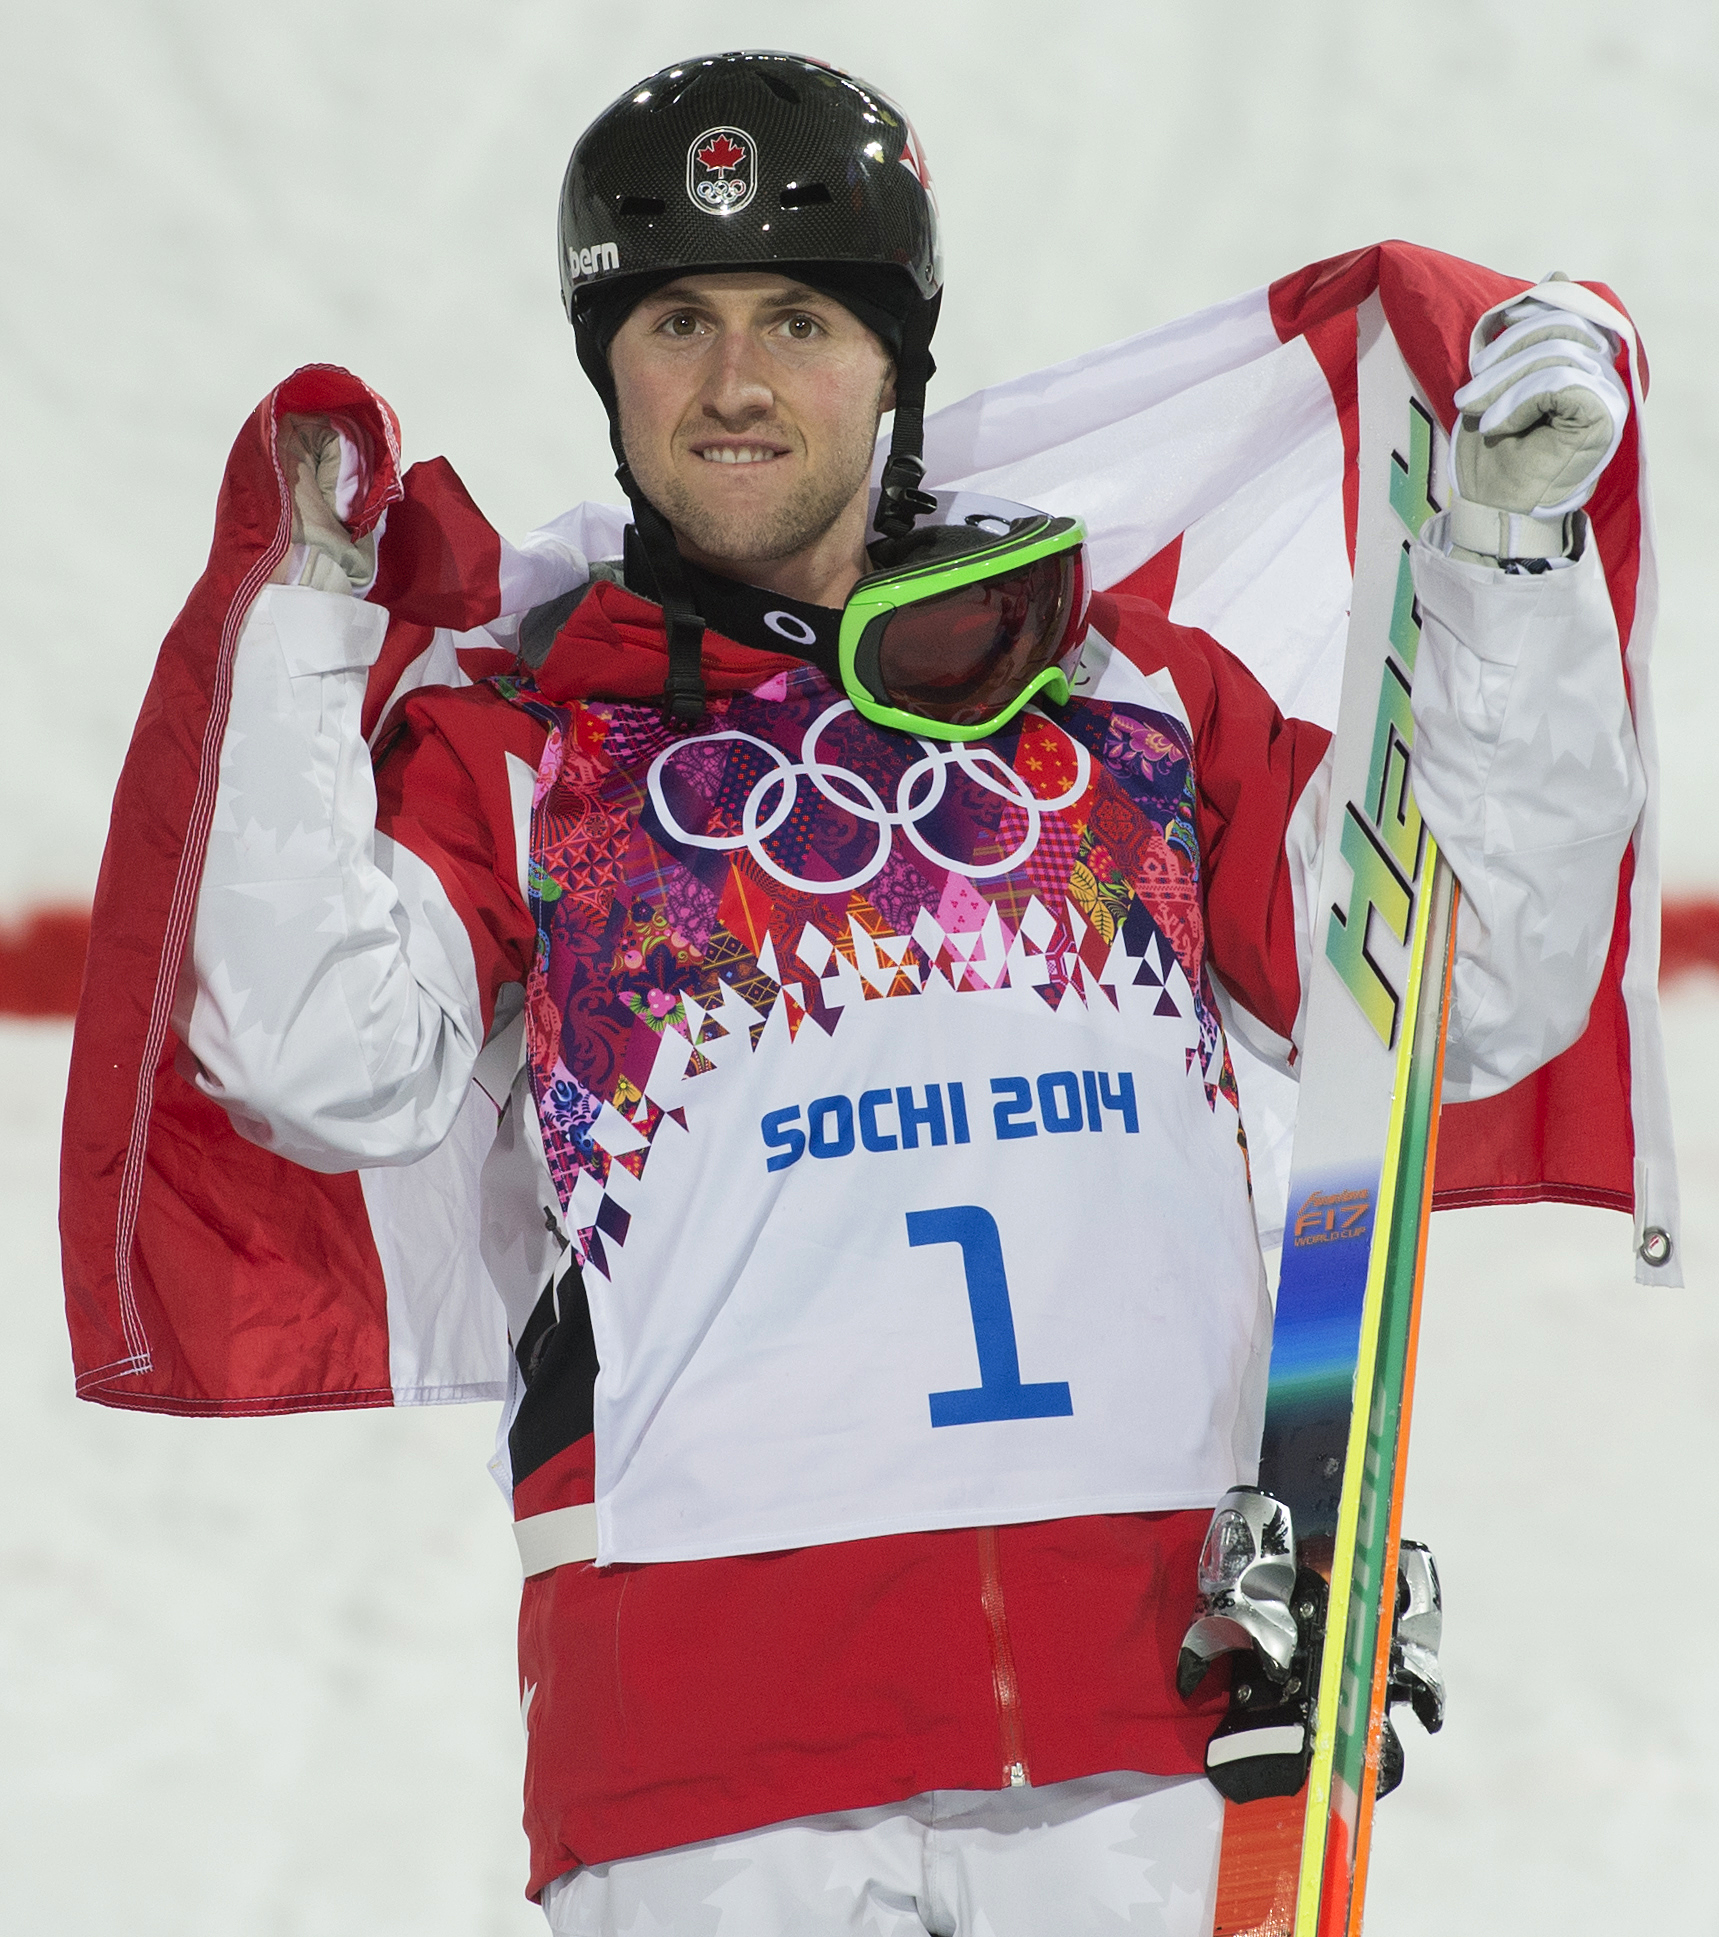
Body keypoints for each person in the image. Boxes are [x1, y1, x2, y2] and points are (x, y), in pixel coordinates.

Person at [146, 50, 1644, 1936]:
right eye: (673, 319)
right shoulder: (529, 739)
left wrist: (1511, 555)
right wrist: (296, 618)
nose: (737, 380)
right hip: (711, 1757)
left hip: (1160, 1719)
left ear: (896, 360)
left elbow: (1465, 991)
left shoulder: (1125, 697)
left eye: (799, 316)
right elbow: (317, 1063)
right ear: (608, 369)